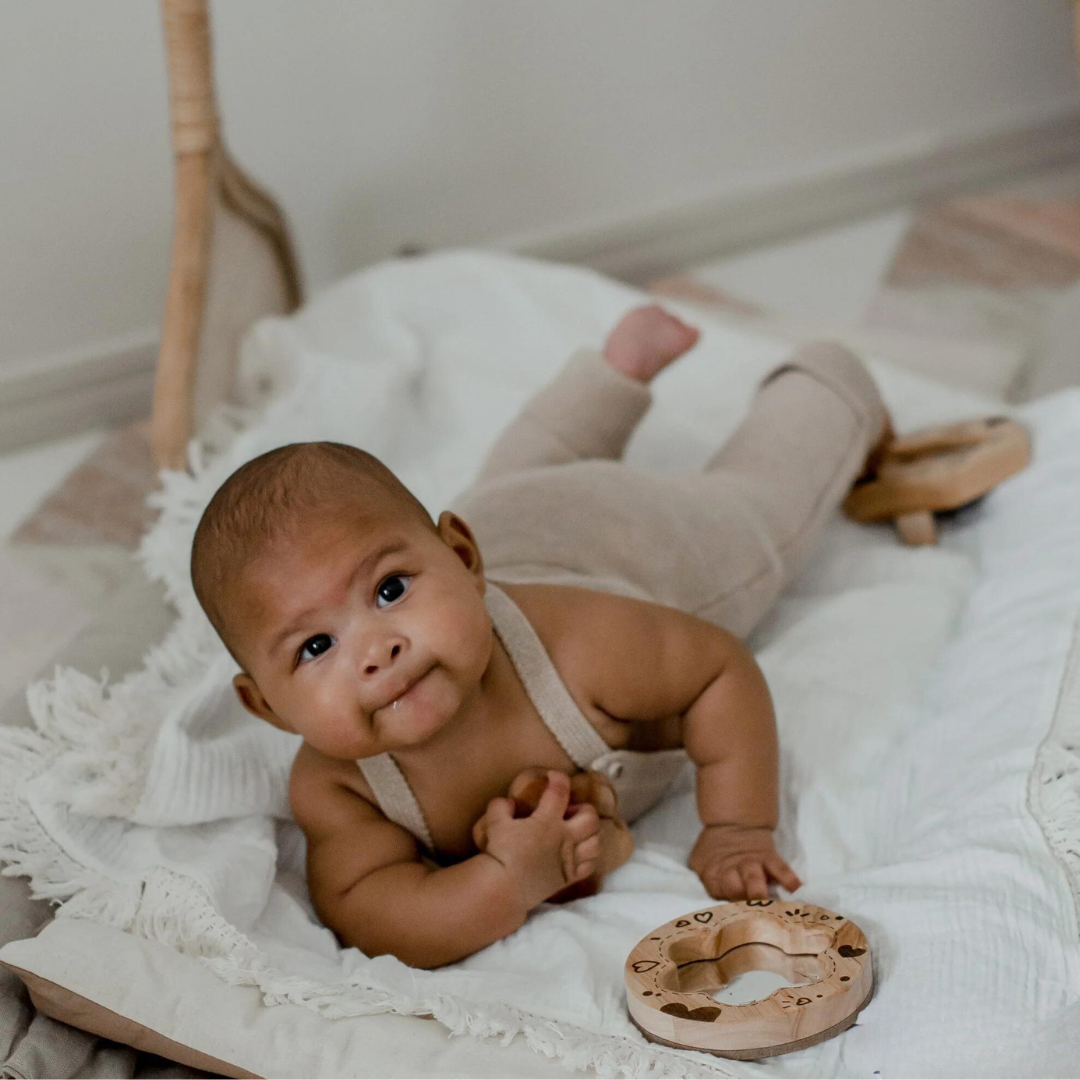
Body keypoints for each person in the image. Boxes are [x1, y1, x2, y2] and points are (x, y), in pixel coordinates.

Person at [190, 303, 890, 968]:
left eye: (389, 591)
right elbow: (375, 915)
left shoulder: (581, 646)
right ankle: (613, 374)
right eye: (317, 647)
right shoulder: (340, 790)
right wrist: (505, 883)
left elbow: (718, 673)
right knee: (519, 471)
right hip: (496, 518)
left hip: (615, 539)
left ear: (463, 562)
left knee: (757, 515)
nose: (376, 649)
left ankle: (828, 387)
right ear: (269, 708)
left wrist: (737, 826)